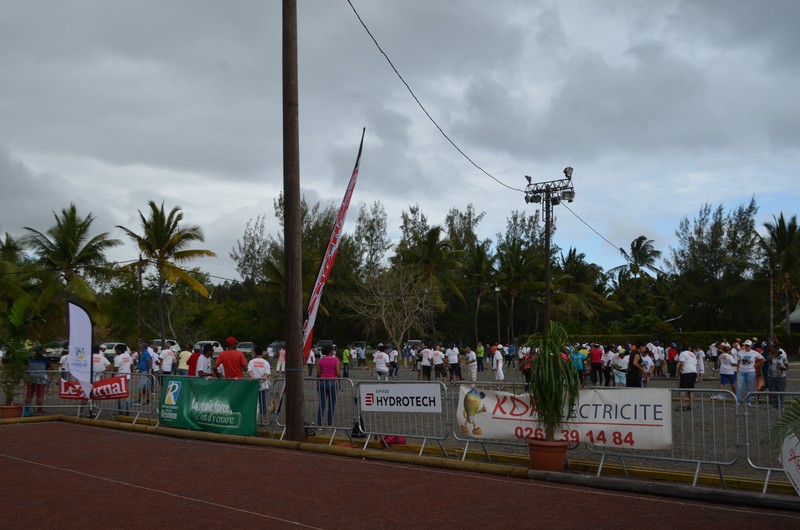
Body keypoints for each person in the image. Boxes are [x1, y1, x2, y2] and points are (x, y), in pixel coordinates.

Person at [316, 344, 342, 426]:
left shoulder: (320, 361)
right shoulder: (336, 360)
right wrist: (340, 380)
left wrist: (317, 383)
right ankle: (329, 424)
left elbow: (318, 374)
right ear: (331, 351)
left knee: (322, 404)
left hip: (322, 382)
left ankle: (319, 423)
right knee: (331, 404)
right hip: (332, 382)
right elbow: (338, 373)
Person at [735, 340, 765, 407]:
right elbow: (738, 362)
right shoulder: (740, 352)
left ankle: (748, 402)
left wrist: (757, 364)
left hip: (750, 372)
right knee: (739, 387)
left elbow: (763, 359)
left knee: (749, 388)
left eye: (748, 345)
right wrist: (737, 370)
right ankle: (738, 401)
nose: (747, 346)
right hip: (741, 371)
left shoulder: (754, 353)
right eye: (746, 345)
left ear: (751, 346)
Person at [247, 346, 271, 423]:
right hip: (263, 386)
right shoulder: (266, 362)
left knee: (253, 402)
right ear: (262, 353)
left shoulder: (251, 362)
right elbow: (267, 374)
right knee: (263, 403)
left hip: (253, 386)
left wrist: (255, 381)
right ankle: (263, 419)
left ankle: (252, 419)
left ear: (255, 353)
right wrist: (261, 381)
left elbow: (249, 372)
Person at [25, 348, 48, 415]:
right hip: (41, 380)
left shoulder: (29, 358)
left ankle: (26, 411)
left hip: (31, 379)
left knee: (29, 396)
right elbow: (48, 369)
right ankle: (39, 411)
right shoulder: (44, 359)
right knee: (40, 396)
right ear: (41, 351)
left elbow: (25, 368)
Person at [675, 345, 698, 411]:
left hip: (686, 372)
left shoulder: (682, 353)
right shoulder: (692, 354)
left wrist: (678, 372)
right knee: (691, 390)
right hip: (693, 372)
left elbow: (682, 363)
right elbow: (695, 365)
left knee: (683, 389)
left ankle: (682, 405)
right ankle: (690, 405)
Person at [113, 343, 133, 415]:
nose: (115, 352)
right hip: (127, 377)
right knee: (127, 394)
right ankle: (127, 410)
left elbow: (115, 369)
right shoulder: (129, 357)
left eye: (116, 350)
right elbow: (131, 365)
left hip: (120, 378)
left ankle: (120, 410)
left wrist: (113, 376)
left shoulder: (117, 358)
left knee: (119, 394)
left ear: (120, 350)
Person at [766, 345, 789, 409]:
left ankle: (781, 405)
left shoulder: (782, 357)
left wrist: (784, 368)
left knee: (780, 391)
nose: (771, 351)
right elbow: (769, 359)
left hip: (781, 376)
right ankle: (774, 405)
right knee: (773, 391)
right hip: (771, 376)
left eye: (773, 350)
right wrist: (775, 353)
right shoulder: (770, 356)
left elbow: (787, 366)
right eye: (771, 350)